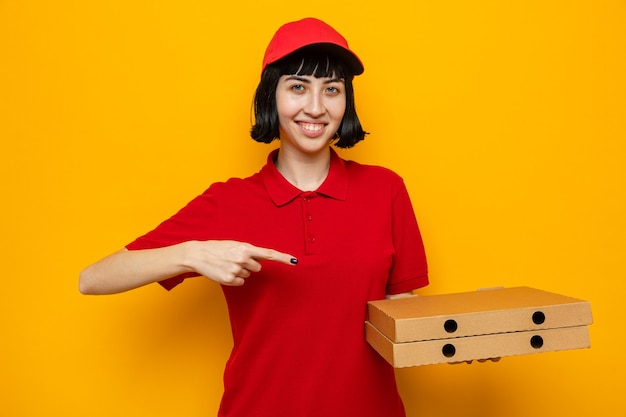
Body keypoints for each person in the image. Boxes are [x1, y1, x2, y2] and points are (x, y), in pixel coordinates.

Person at [80, 17, 428, 417]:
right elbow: (93, 279)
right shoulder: (229, 202)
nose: (316, 107)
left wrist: (461, 340)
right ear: (270, 97)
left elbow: (402, 310)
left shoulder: (385, 190)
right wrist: (192, 253)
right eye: (298, 87)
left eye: (331, 90)